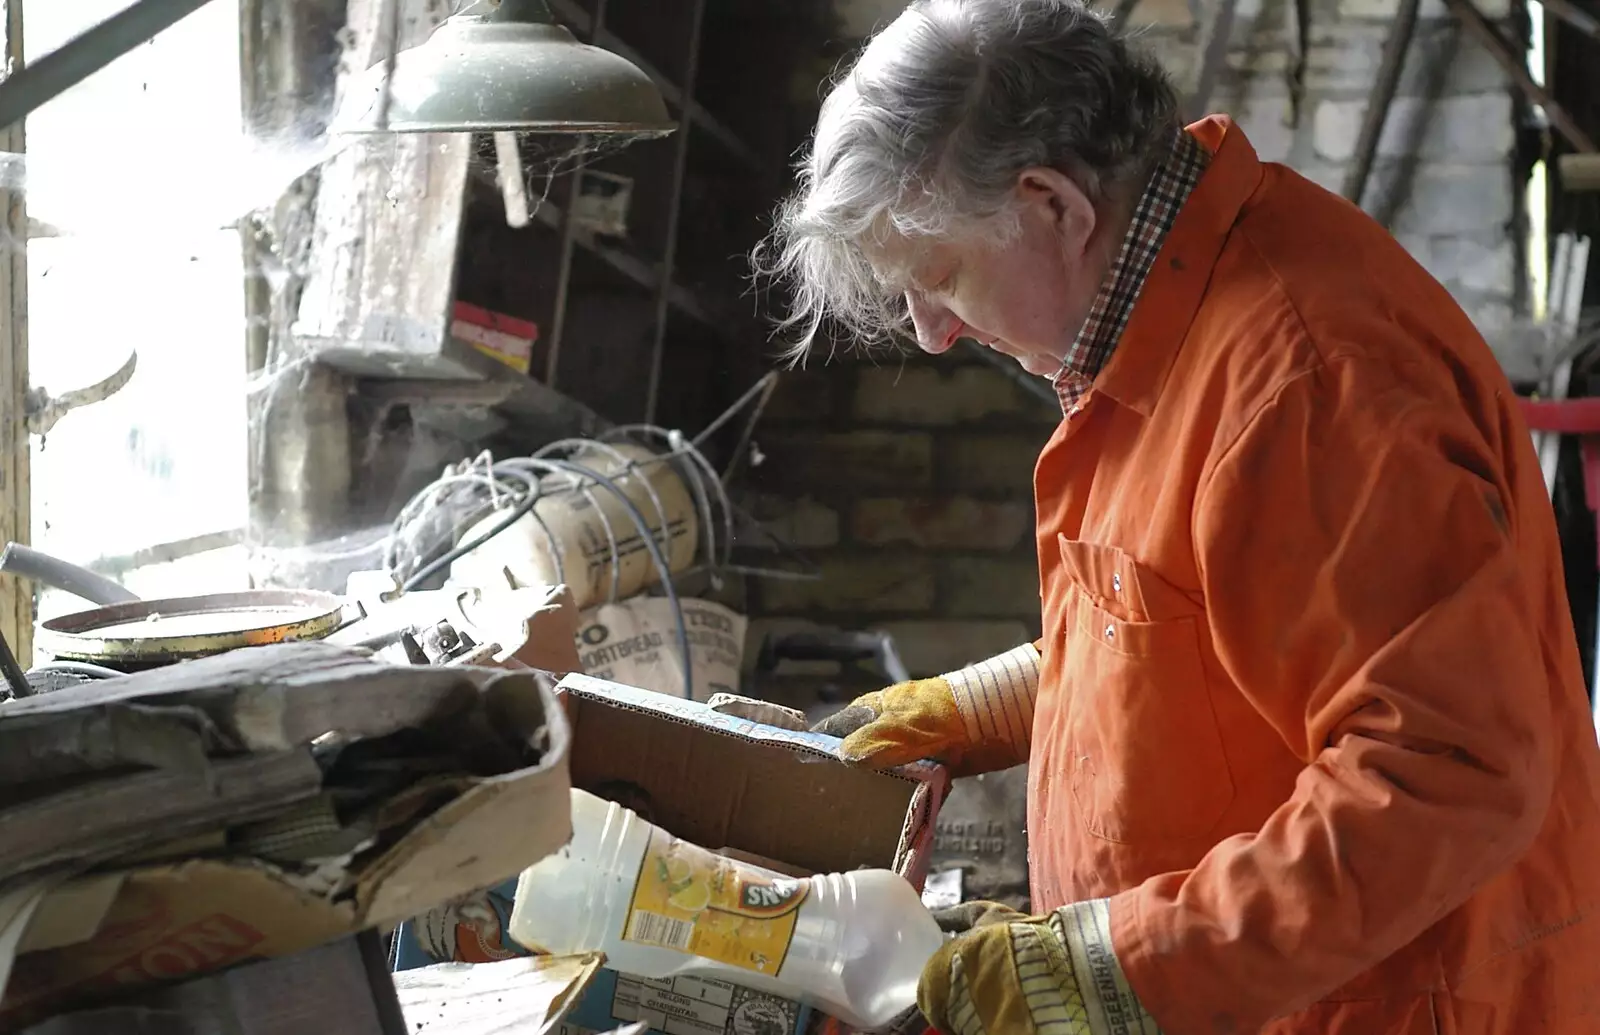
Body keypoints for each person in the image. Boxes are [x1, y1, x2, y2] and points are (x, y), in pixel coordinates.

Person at [756, 1, 1600, 1033]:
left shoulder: (1306, 382)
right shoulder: (1159, 328)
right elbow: (1191, 626)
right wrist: (981, 707)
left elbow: (1446, 776)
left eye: (939, 277)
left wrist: (1112, 964)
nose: (932, 333)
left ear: (1051, 204)